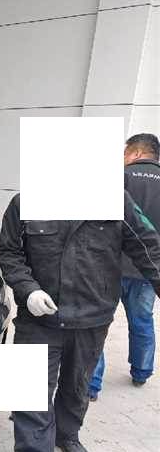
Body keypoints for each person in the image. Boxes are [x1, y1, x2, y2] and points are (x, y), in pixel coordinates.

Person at [0, 191, 160, 452]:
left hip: (91, 316)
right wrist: (28, 290)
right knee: (29, 389)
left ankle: (66, 434)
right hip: (39, 316)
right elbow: (9, 252)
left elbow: (147, 246)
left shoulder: (114, 199)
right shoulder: (25, 201)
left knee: (77, 384)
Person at [89, 134, 160, 401]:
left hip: (110, 266)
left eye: (125, 152)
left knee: (96, 323)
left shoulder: (117, 178)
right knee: (142, 320)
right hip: (148, 269)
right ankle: (141, 372)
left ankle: (91, 384)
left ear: (137, 152)